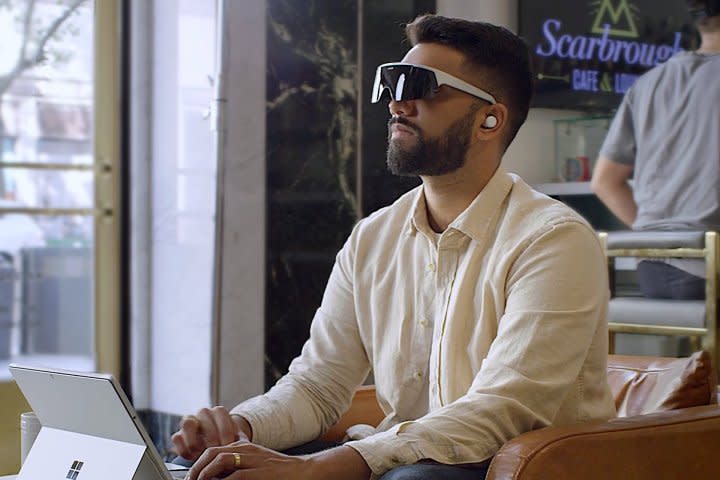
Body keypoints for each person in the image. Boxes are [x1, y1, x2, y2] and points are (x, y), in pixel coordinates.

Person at [174, 14, 616, 480]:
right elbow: (318, 386)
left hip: (521, 467)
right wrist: (240, 429)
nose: (396, 103)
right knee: (207, 465)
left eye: (419, 86)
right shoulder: (373, 238)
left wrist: (316, 469)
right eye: (390, 83)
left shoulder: (553, 240)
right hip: (407, 461)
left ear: (490, 118)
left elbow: (503, 409)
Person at [591, 0, 720, 300]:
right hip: (711, 268)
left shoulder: (648, 83)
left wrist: (661, 237)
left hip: (652, 267)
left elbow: (604, 182)